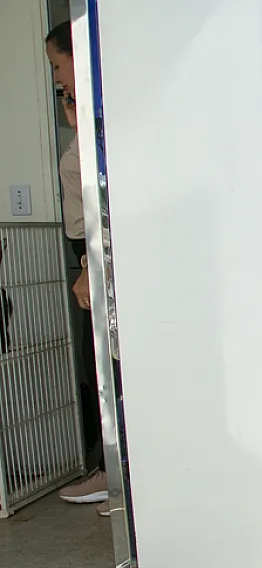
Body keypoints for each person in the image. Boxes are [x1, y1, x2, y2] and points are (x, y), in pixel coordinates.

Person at [46, 21, 118, 515]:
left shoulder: (106, 113)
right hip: (95, 256)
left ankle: (119, 478)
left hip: (108, 259)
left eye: (57, 65)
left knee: (117, 369)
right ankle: (116, 475)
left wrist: (91, 265)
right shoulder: (87, 117)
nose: (56, 77)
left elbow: (103, 199)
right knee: (110, 365)